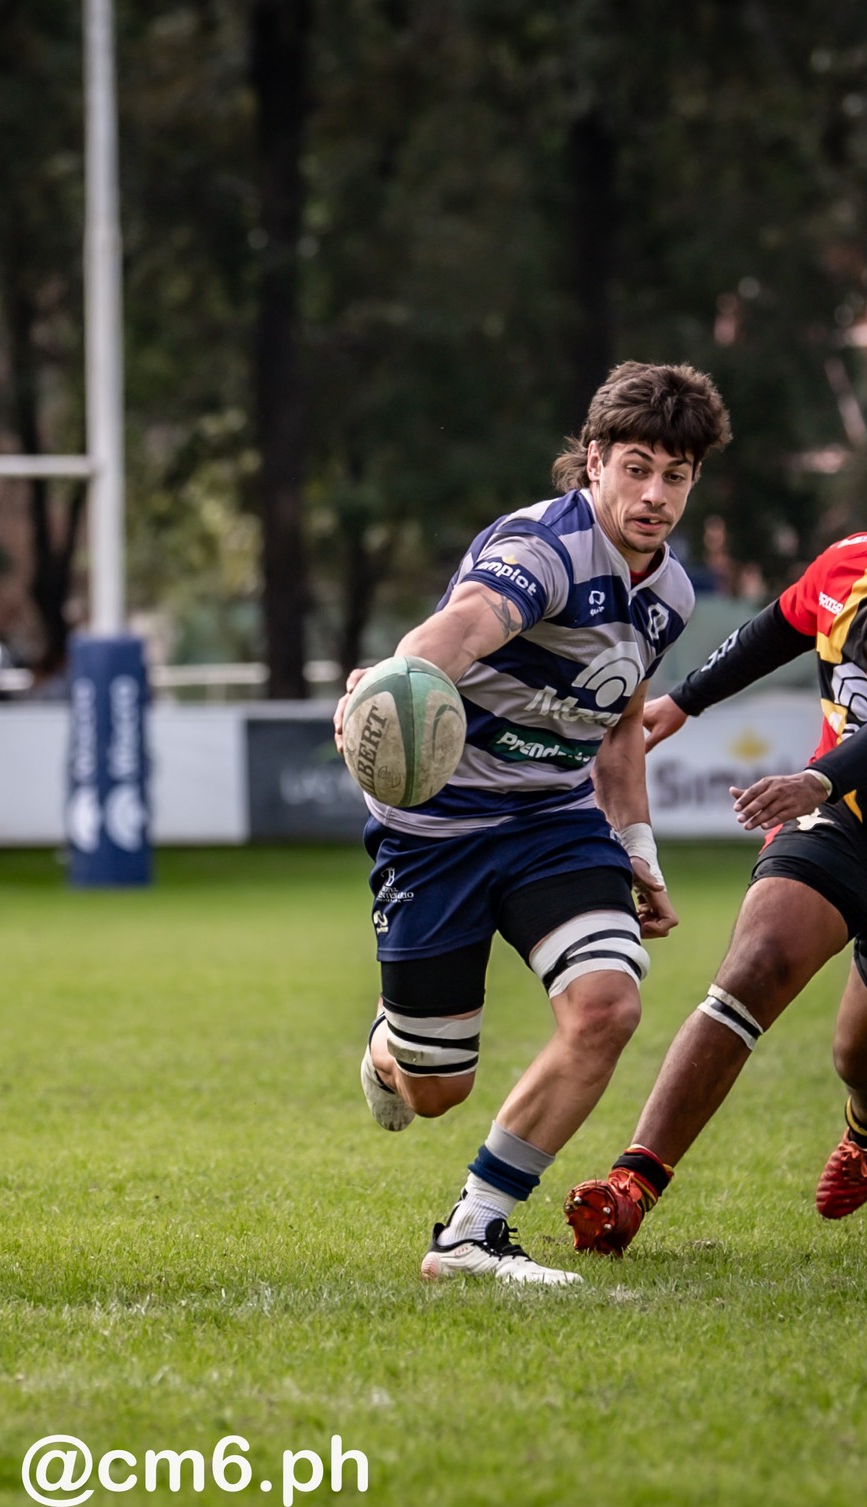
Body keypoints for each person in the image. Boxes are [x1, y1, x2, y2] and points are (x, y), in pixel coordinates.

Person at [567, 401, 867, 1255]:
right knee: (754, 965)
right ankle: (632, 1182)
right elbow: (777, 628)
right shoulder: (849, 564)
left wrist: (816, 776)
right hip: (844, 817)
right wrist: (682, 702)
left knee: (862, 1057)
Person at [335, 362, 732, 1286]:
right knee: (438, 1090)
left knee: (607, 1006)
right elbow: (459, 628)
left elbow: (621, 728)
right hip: (435, 831)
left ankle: (472, 1231)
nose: (655, 494)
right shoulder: (542, 551)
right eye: (636, 468)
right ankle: (393, 1051)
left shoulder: (670, 594)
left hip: (553, 819)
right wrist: (390, 681)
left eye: (676, 476)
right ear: (594, 462)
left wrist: (638, 850)